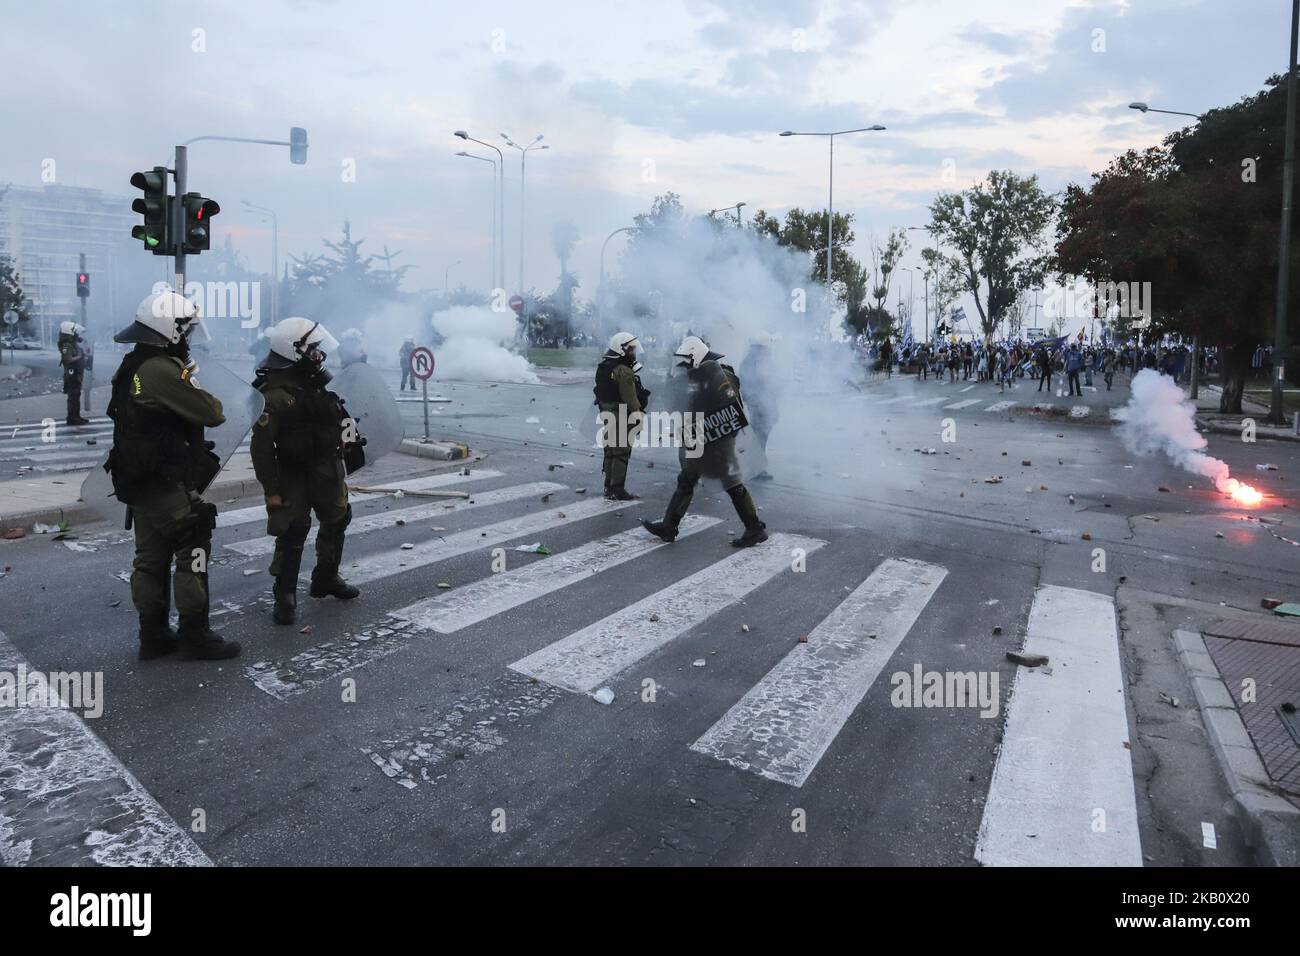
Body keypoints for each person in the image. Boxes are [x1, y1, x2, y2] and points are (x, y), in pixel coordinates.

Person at [105, 291, 239, 661]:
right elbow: (211, 411)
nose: (190, 339)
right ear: (171, 330)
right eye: (187, 331)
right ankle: (196, 634)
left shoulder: (132, 365)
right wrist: (191, 380)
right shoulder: (160, 370)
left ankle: (153, 635)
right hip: (163, 479)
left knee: (150, 557)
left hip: (136, 478)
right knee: (192, 543)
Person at [251, 317, 361, 625]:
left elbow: (341, 417)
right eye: (312, 348)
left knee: (338, 518)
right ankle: (284, 594)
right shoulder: (272, 393)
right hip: (293, 474)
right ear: (294, 350)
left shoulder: (321, 382)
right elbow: (261, 449)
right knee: (293, 530)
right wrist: (271, 490)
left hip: (327, 469)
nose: (318, 354)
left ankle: (326, 577)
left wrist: (349, 439)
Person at [641, 336, 766, 549]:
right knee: (688, 479)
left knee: (731, 483)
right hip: (701, 435)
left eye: (686, 361)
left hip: (719, 439)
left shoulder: (722, 375)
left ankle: (754, 528)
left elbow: (730, 404)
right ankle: (669, 527)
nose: (683, 366)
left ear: (696, 358)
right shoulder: (696, 377)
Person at [594, 331, 648, 501]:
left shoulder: (605, 366)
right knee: (621, 451)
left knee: (610, 450)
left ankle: (608, 487)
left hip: (606, 412)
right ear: (622, 349)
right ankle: (618, 489)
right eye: (631, 349)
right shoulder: (623, 370)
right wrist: (638, 414)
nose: (633, 353)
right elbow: (630, 397)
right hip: (620, 414)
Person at [739, 338, 780, 480]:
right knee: (759, 435)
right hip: (757, 403)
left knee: (762, 434)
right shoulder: (750, 363)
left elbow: (771, 383)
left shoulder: (760, 362)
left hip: (763, 402)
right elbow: (748, 385)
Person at [58, 321, 90, 426]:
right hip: (71, 374)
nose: (77, 334)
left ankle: (76, 416)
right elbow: (67, 359)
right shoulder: (66, 345)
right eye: (75, 332)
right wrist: (80, 357)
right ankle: (72, 418)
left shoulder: (72, 343)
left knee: (76, 396)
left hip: (76, 374)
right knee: (73, 397)